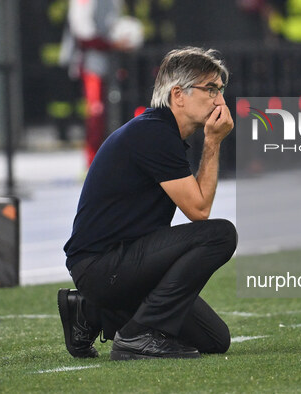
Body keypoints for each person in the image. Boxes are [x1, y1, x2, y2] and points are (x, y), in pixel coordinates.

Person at [57, 47, 237, 360]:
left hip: (120, 265)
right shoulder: (154, 133)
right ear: (178, 94)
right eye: (210, 90)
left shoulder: (161, 131)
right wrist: (212, 143)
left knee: (215, 340)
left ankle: (89, 312)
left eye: (220, 90)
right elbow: (199, 210)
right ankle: (139, 334)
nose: (219, 101)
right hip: (103, 266)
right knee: (220, 234)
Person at [60, 0, 143, 167]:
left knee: (120, 112)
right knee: (96, 113)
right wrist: (113, 44)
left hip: (114, 63)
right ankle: (93, 164)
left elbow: (114, 25)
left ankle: (119, 159)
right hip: (93, 64)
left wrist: (123, 39)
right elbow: (83, 33)